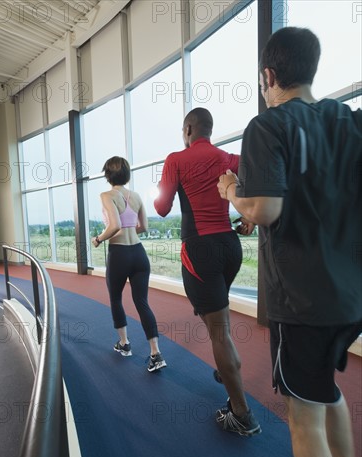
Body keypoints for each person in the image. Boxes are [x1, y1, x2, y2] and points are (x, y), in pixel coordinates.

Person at [217, 26, 362, 457]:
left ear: (269, 76)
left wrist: (234, 190)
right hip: (351, 298)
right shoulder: (350, 120)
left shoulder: (267, 125)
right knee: (326, 389)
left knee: (303, 418)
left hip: (303, 300)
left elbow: (263, 209)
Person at [154, 107, 261, 436]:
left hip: (199, 251)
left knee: (219, 333)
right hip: (231, 248)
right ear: (209, 131)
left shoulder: (176, 159)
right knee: (220, 320)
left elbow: (161, 207)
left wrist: (169, 182)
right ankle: (226, 366)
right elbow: (259, 181)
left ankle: (242, 414)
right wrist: (250, 217)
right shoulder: (229, 158)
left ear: (188, 129)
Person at [92, 156, 167, 372]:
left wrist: (98, 239)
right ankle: (156, 353)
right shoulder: (136, 196)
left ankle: (124, 345)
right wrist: (129, 232)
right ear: (127, 174)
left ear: (108, 175)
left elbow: (114, 225)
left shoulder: (106, 195)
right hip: (138, 254)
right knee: (142, 302)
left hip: (119, 255)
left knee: (116, 299)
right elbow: (144, 226)